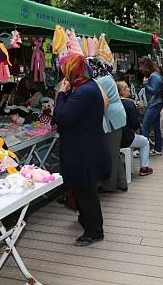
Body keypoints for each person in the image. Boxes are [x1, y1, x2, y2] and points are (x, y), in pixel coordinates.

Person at [52, 53, 110, 246]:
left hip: (84, 151)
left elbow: (62, 117)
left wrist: (60, 94)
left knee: (86, 191)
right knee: (85, 190)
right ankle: (88, 222)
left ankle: (94, 231)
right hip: (86, 147)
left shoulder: (83, 91)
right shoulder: (87, 85)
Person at [89, 57, 128, 193]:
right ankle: (122, 182)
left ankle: (110, 186)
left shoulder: (100, 81)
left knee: (111, 152)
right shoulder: (107, 76)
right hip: (116, 115)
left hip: (112, 117)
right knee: (115, 151)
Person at [117, 81, 152, 176]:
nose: (129, 89)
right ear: (122, 91)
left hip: (115, 138)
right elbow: (135, 124)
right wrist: (137, 131)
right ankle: (144, 167)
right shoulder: (129, 104)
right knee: (145, 141)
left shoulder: (115, 103)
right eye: (127, 87)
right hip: (127, 138)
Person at [138, 57, 163, 156]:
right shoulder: (156, 75)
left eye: (141, 66)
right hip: (157, 103)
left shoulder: (153, 76)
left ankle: (145, 149)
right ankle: (158, 149)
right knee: (156, 126)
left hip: (154, 104)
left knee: (145, 126)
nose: (140, 68)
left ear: (146, 66)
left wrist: (145, 83)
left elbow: (153, 90)